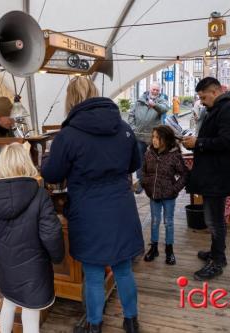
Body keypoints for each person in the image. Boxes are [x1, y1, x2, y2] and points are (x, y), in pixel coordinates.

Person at [42, 77, 144, 333]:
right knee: (123, 270)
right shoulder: (123, 128)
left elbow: (52, 174)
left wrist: (46, 160)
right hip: (121, 207)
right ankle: (131, 322)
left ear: (70, 99)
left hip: (88, 211)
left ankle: (94, 325)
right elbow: (134, 164)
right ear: (96, 94)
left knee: (95, 274)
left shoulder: (68, 135)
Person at [0, 143, 64, 333]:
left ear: (2, 165)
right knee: (30, 313)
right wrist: (57, 257)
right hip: (35, 268)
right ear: (26, 163)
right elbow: (52, 233)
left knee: (9, 302)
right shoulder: (39, 194)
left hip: (6, 265)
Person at [182, 77, 230, 281]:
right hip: (212, 174)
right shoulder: (217, 109)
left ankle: (217, 261)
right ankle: (217, 252)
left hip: (218, 174)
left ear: (215, 92)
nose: (202, 101)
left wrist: (198, 142)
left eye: (203, 97)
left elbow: (227, 141)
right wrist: (195, 142)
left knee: (214, 220)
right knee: (213, 219)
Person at [141, 125, 188, 265]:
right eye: (153, 137)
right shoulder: (148, 153)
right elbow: (143, 171)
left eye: (158, 137)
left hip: (168, 196)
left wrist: (174, 189)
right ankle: (154, 248)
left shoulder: (174, 155)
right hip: (153, 194)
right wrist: (145, 183)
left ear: (166, 139)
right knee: (155, 221)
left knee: (168, 223)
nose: (154, 140)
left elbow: (185, 174)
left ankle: (169, 250)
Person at [128, 82, 169, 194]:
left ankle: (154, 183)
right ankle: (141, 183)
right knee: (140, 161)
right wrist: (133, 128)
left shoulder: (161, 101)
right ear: (149, 90)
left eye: (157, 90)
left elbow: (164, 109)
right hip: (139, 136)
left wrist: (154, 105)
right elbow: (131, 115)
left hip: (154, 138)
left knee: (155, 160)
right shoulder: (139, 101)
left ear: (159, 91)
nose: (155, 92)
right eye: (153, 90)